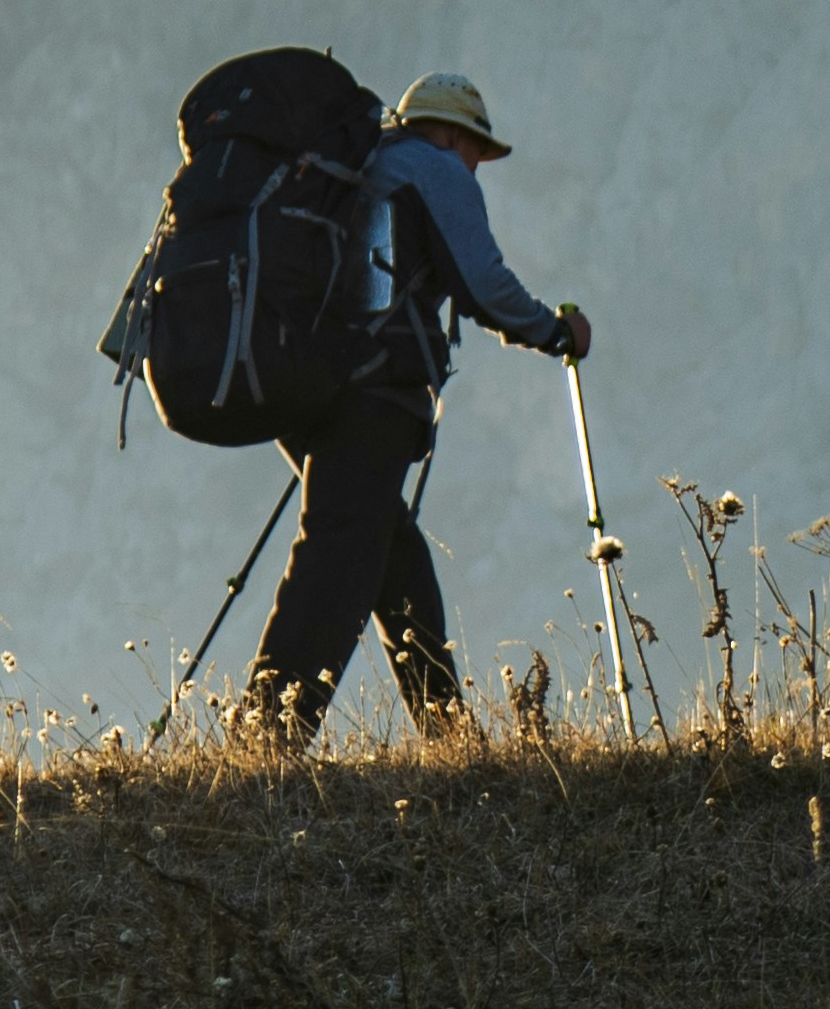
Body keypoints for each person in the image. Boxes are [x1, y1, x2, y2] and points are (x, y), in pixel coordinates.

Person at [233, 67, 588, 750]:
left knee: (394, 558)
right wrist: (557, 330)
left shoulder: (354, 172)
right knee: (339, 554)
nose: (476, 170)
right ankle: (267, 738)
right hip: (372, 395)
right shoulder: (431, 168)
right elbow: (484, 283)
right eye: (477, 154)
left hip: (306, 391)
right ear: (454, 133)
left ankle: (451, 736)